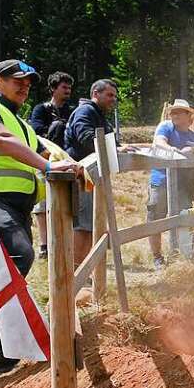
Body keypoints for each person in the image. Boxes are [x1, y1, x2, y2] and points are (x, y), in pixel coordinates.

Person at [0, 59, 81, 381]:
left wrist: (74, 164)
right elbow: (0, 139)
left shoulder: (20, 122)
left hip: (16, 204)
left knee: (9, 270)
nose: (24, 85)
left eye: (28, 81)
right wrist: (47, 167)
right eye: (17, 80)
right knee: (18, 257)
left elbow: (48, 148)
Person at [147, 99, 194, 269]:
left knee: (187, 219)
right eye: (173, 112)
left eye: (179, 112)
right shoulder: (166, 127)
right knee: (155, 220)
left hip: (184, 186)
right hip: (161, 182)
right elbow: (158, 141)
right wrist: (170, 149)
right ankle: (157, 257)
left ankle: (183, 257)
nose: (174, 115)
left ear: (189, 116)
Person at [64, 79, 122, 266]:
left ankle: (83, 271)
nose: (113, 99)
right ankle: (75, 273)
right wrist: (114, 149)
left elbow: (106, 140)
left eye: (115, 96)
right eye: (109, 95)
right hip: (82, 175)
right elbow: (87, 137)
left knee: (90, 225)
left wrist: (120, 148)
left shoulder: (98, 114)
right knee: (84, 226)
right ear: (95, 94)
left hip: (91, 176)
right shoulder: (86, 111)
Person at [28, 71, 76, 258]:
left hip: (66, 161)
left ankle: (65, 242)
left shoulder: (71, 110)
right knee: (42, 205)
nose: (68, 91)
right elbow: (36, 132)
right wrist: (57, 126)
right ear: (53, 89)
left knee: (67, 203)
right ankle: (45, 246)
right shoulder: (41, 109)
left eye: (69, 88)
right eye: (64, 87)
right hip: (45, 159)